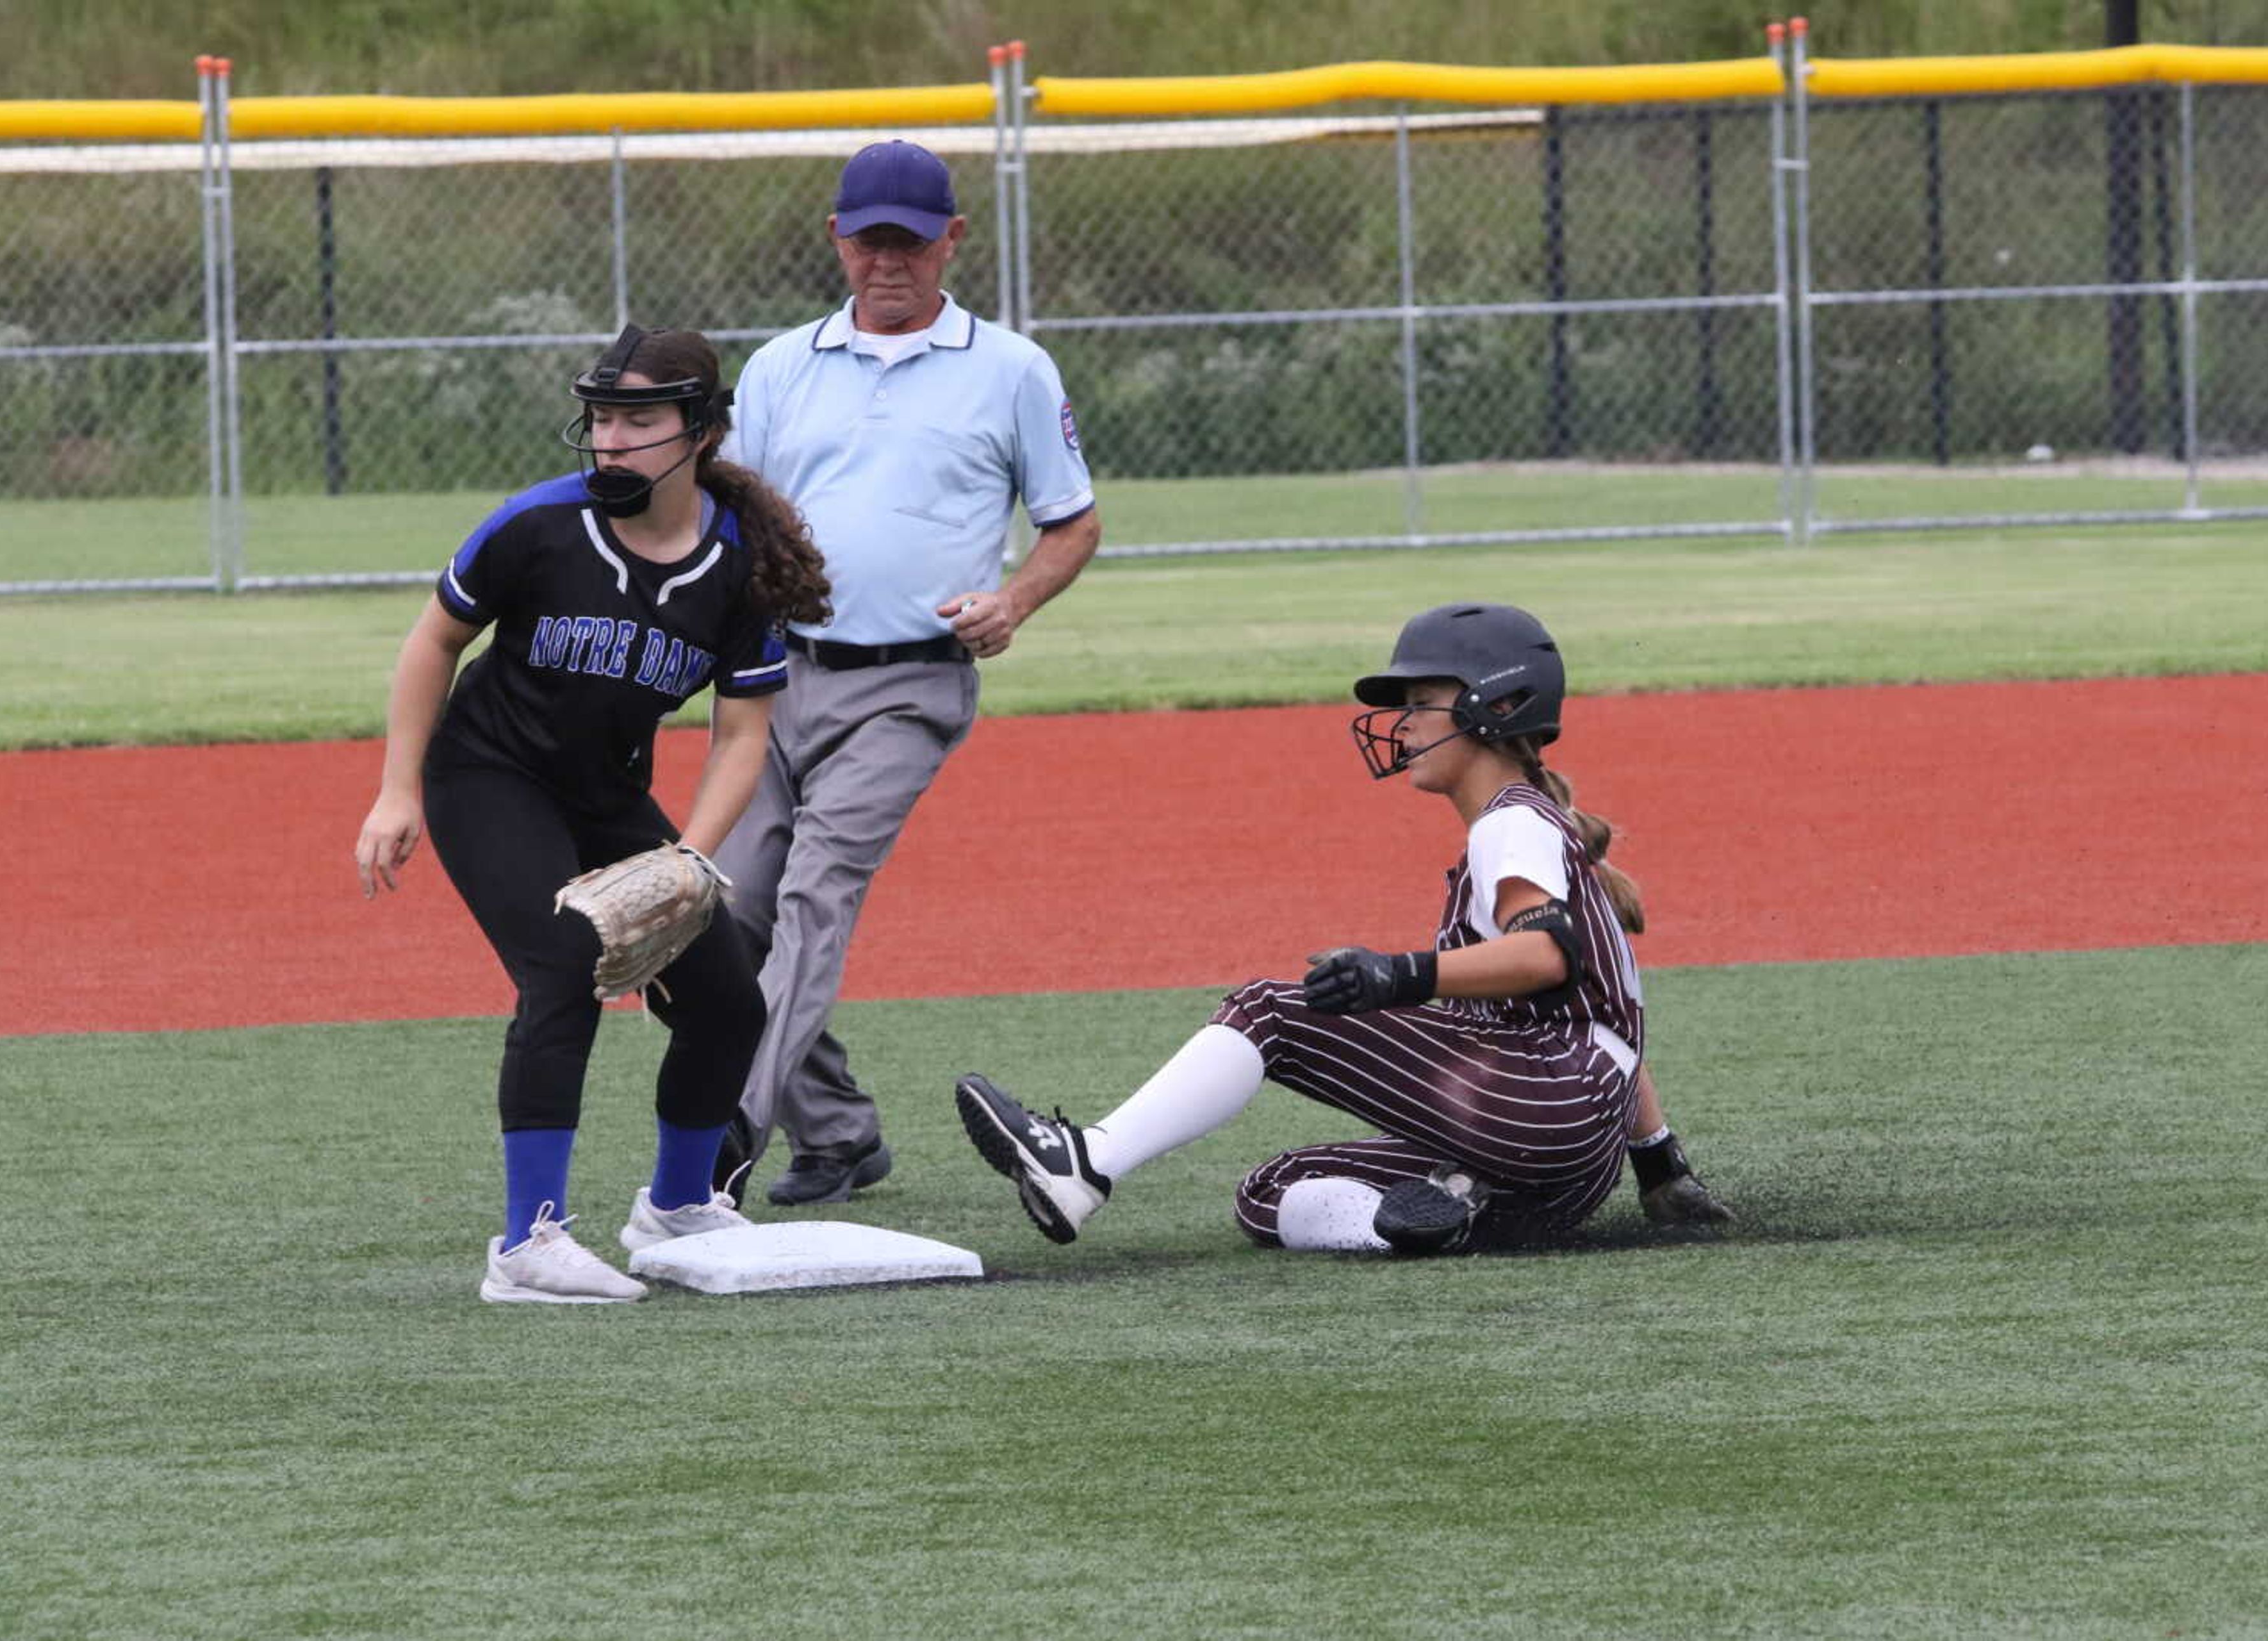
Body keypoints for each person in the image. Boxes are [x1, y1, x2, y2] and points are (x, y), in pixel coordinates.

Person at [954, 602, 1732, 1255]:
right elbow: (1607, 1023)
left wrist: (1398, 976)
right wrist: (1659, 1166)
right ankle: (1437, 1218)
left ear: (1495, 707)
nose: (1402, 723)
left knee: (1268, 1010)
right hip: (1564, 1166)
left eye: (1421, 702)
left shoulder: (1510, 823)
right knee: (1270, 1191)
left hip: (1545, 1105)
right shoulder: (1534, 825)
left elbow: (1546, 954)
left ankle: (1086, 1162)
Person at [353, 325, 832, 1303]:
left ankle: (678, 1206)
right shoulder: (538, 526)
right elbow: (432, 642)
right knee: (564, 962)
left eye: (639, 419)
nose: (611, 440)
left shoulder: (741, 567)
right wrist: (399, 787)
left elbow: (742, 735)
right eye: (603, 418)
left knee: (727, 996)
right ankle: (528, 1246)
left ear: (699, 430)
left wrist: (690, 864)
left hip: (605, 791)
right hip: (486, 774)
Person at [714, 138, 1101, 1208]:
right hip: (774, 681)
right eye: (870, 237)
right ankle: (836, 1131)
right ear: (837, 238)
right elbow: (731, 520)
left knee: (812, 894)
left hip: (911, 684)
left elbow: (1072, 522)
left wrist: (1013, 599)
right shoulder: (782, 366)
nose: (890, 259)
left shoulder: (1011, 369)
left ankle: (725, 1130)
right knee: (731, 912)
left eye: (911, 241)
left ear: (951, 242)